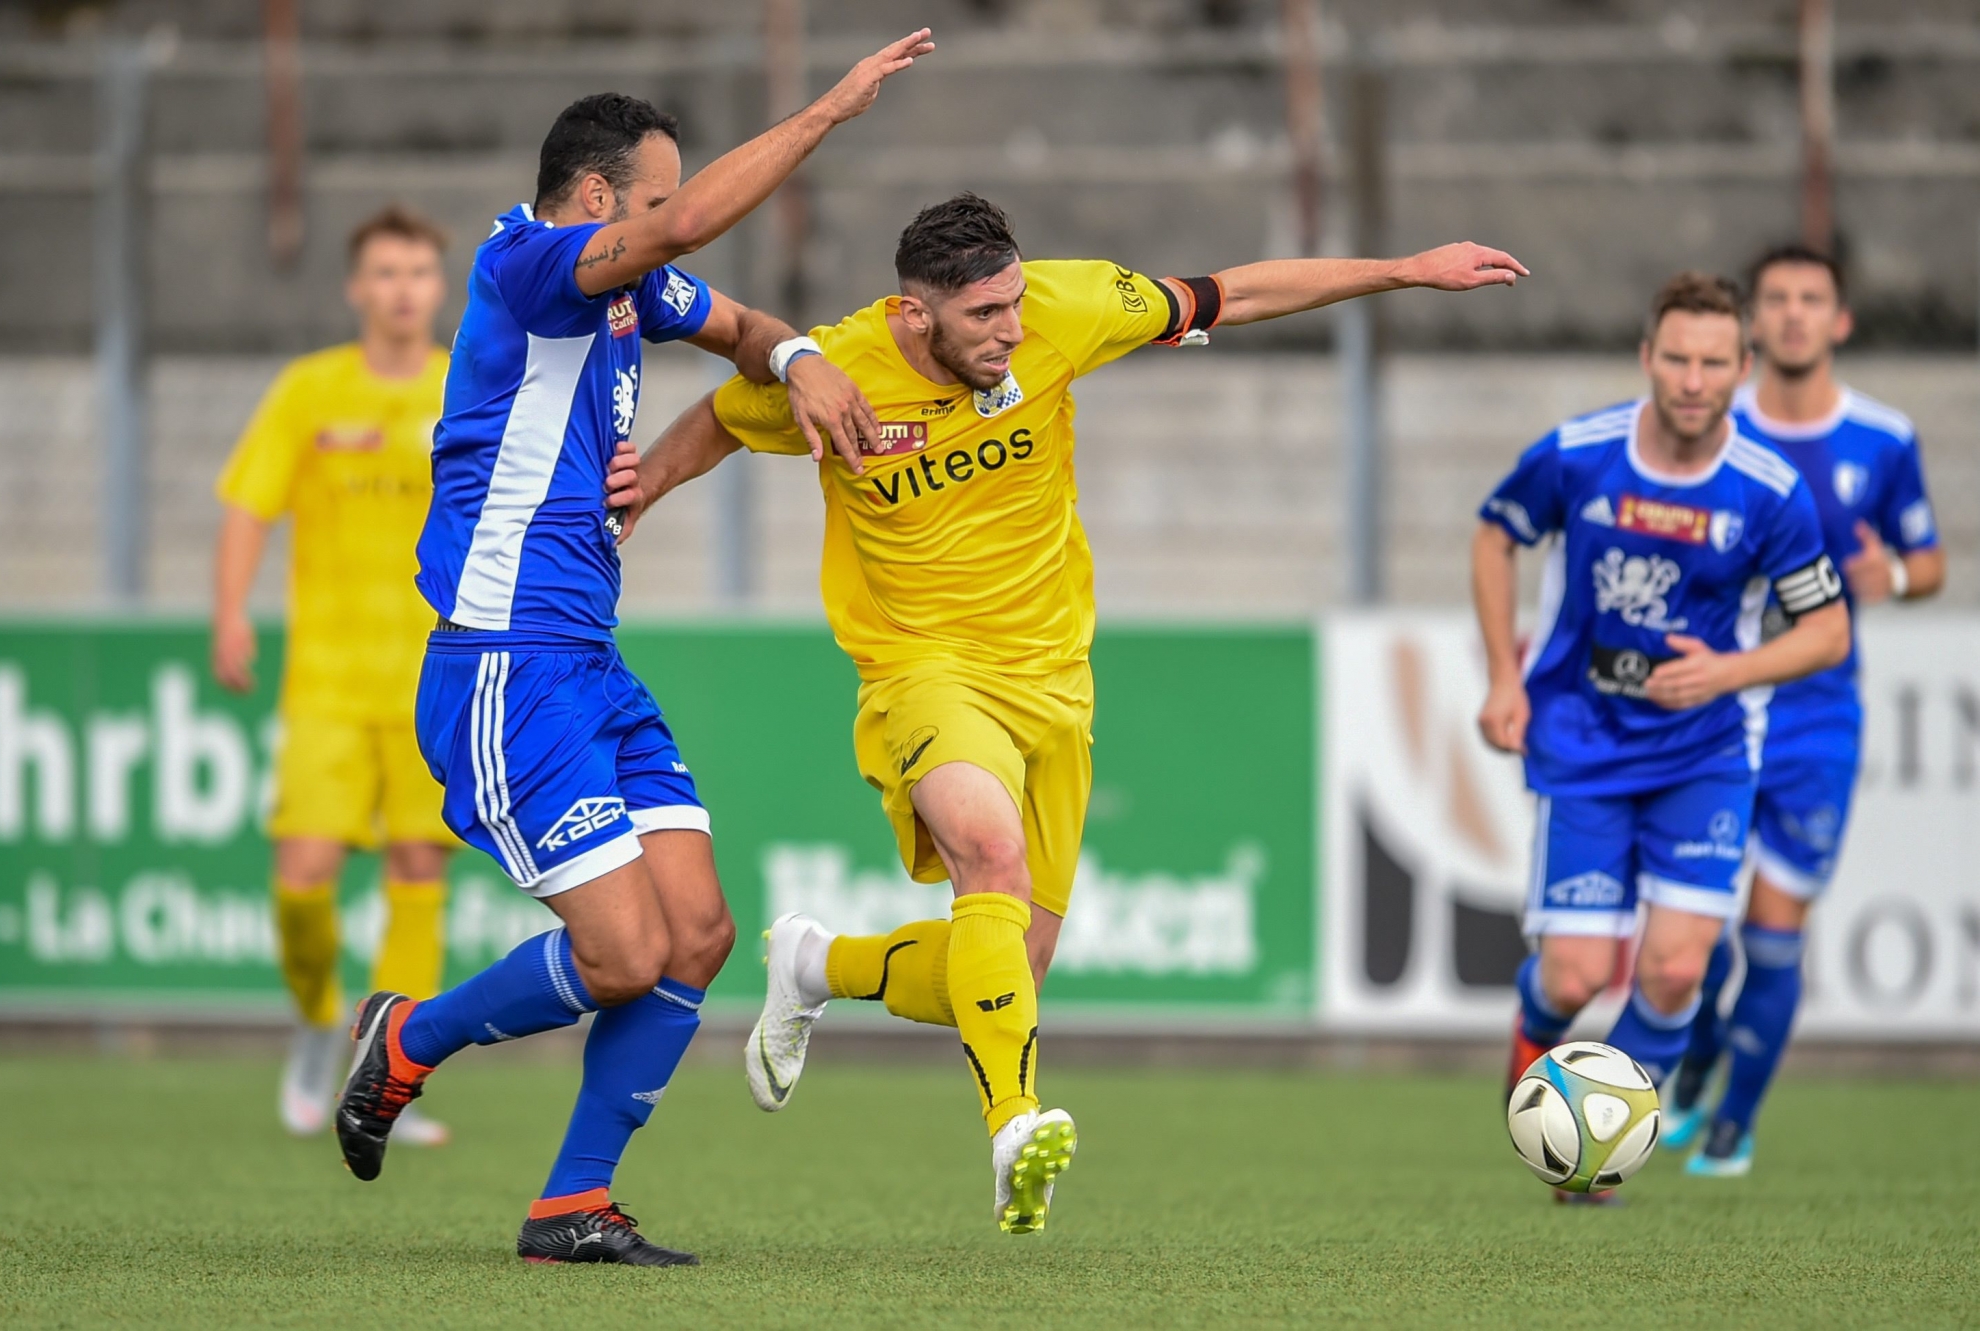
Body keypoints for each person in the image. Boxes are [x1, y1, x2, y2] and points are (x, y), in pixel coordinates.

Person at [611, 192, 1527, 1233]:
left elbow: (1234, 291)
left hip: (1053, 677)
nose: (1008, 330)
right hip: (922, 669)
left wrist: (1404, 268)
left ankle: (818, 963)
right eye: (981, 316)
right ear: (915, 315)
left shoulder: (1069, 305)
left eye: (1012, 303)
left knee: (1006, 974)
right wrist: (645, 487)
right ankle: (1013, 1123)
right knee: (989, 858)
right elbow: (724, 418)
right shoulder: (842, 367)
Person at [329, 30, 934, 1267]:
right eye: (656, 196)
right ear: (598, 200)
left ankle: (570, 1206)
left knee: (697, 936)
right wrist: (821, 114)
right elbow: (678, 241)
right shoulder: (530, 263)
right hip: (503, 662)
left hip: (587, 663)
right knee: (620, 955)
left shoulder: (622, 288)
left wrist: (802, 356)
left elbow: (737, 322)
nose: (672, 219)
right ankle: (408, 1041)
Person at [1476, 271, 1852, 1198]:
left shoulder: (1769, 492)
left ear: (1742, 367)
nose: (1693, 378)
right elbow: (1497, 533)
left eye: (1713, 362)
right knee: (1572, 978)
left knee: (1678, 967)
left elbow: (1827, 629)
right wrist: (1501, 676)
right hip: (1584, 742)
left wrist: (1725, 671)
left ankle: (1596, 1154)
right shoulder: (1578, 456)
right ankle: (1536, 1049)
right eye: (1676, 358)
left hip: (1706, 752)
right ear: (1648, 359)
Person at [1663, 246, 1944, 1177]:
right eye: (1775, 299)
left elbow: (1928, 560)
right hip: (1712, 707)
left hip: (1818, 713)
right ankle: (1698, 1052)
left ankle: (1735, 1122)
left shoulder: (1883, 437)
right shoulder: (1707, 427)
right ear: (1752, 327)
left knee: (1773, 936)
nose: (1791, 315)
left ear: (1841, 320)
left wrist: (1894, 575)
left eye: (1809, 300)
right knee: (1690, 934)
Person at [212, 204, 463, 1148]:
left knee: (416, 870)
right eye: (385, 273)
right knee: (302, 877)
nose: (402, 289)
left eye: (417, 273)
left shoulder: (466, 387)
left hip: (432, 681)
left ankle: (383, 1074)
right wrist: (231, 611)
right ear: (357, 288)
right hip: (325, 680)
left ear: (440, 289)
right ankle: (321, 1019)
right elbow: (248, 505)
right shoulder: (309, 390)